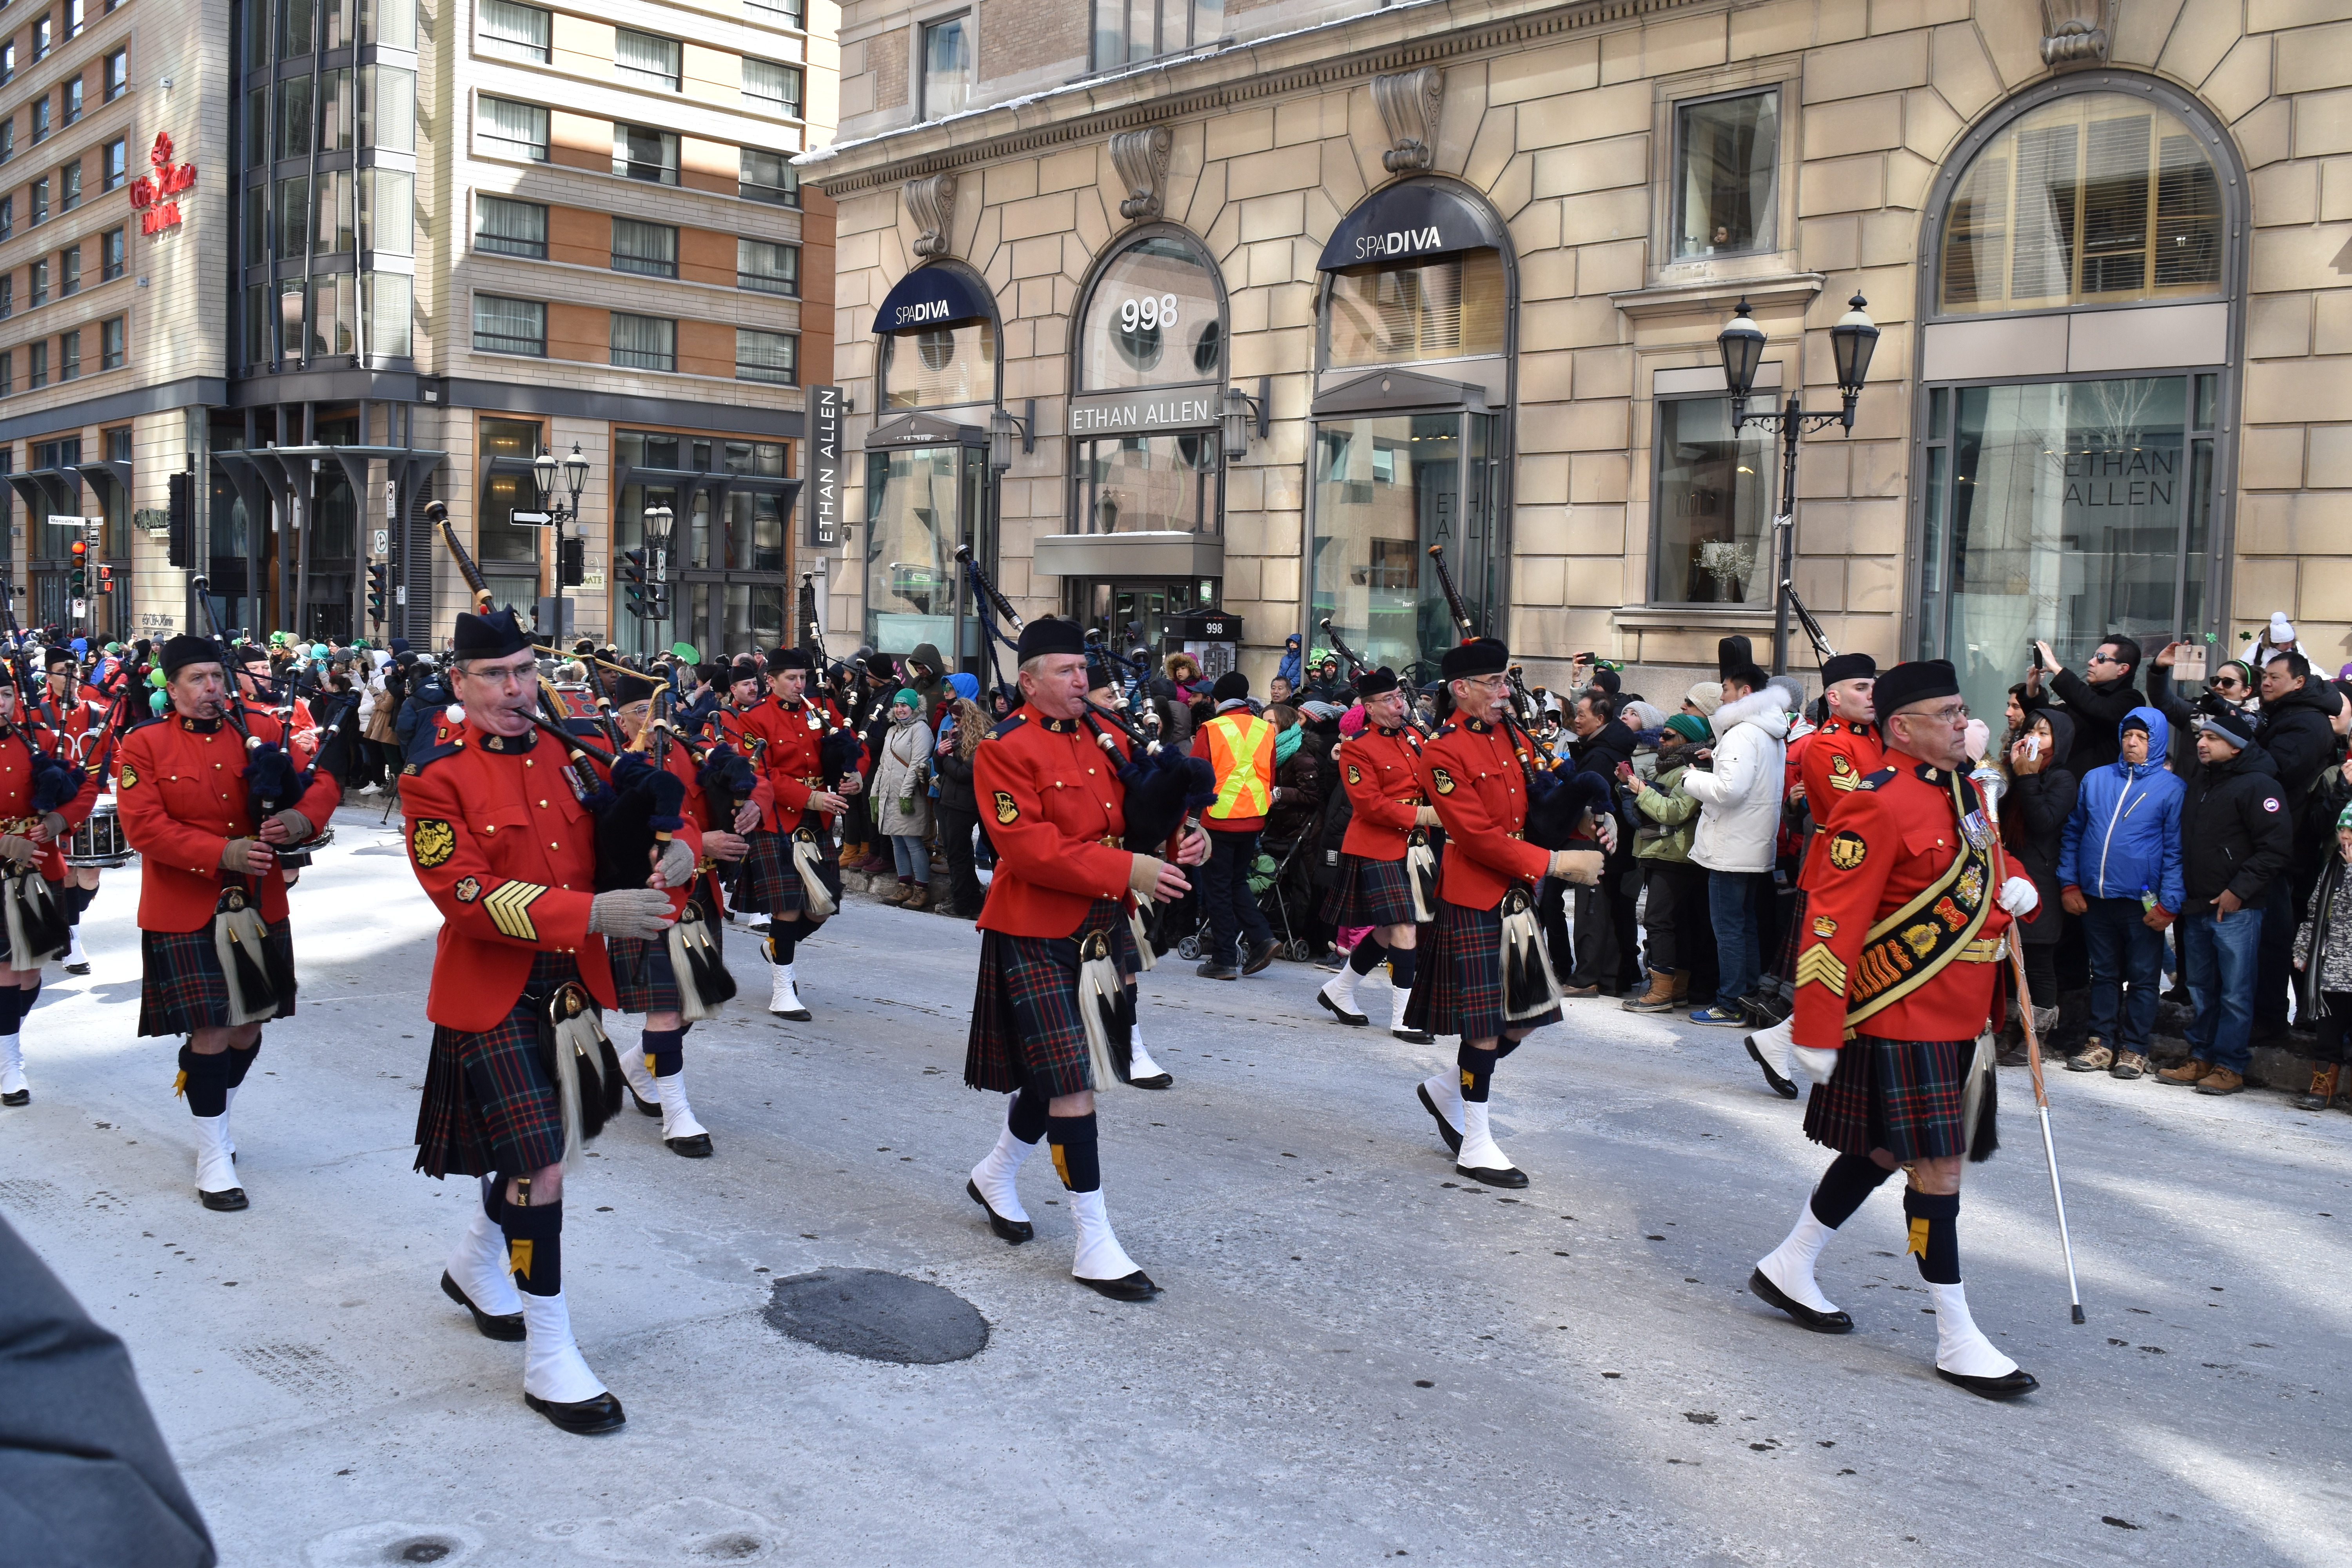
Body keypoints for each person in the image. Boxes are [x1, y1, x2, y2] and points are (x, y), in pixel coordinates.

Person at [404, 606, 679, 1435]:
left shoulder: (572, 754)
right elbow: (469, 898)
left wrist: (678, 843)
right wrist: (592, 912)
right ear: (460, 683)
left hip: (570, 992)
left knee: (546, 1149)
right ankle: (551, 1355)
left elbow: (620, 836)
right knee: (541, 1167)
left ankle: (472, 1262)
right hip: (495, 988)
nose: (515, 688)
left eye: (526, 670)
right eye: (494, 674)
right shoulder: (435, 782)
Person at [1749, 659, 2040, 1399]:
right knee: (1939, 1169)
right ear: (1903, 727)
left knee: (1881, 1149)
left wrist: (2020, 894)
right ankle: (1955, 1333)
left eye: (1960, 711)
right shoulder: (1874, 803)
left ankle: (1792, 1261)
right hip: (1901, 1010)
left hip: (1965, 1012)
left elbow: (1981, 881)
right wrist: (1813, 1024)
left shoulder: (1969, 792)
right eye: (1946, 713)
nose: (1961, 722)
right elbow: (1831, 920)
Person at [960, 618, 1208, 1298]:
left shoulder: (1106, 739)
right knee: (1074, 1077)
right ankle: (1094, 1240)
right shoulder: (1003, 751)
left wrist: (1188, 841)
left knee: (1057, 1070)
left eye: (1084, 670)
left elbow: (1138, 817)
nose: (1083, 681)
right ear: (1030, 680)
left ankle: (996, 1172)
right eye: (1068, 672)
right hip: (1035, 928)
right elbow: (1029, 850)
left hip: (1102, 926)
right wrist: (1132, 868)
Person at [113, 635, 340, 1212]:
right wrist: (225, 853)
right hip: (186, 907)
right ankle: (212, 1153)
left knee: (249, 1026)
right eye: (198, 678)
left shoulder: (259, 734)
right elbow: (144, 829)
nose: (213, 688)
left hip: (258, 907)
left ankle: (216, 1109)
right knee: (212, 1027)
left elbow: (322, 783)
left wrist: (299, 819)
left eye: (218, 676)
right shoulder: (145, 746)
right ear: (173, 687)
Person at [1401, 638, 1602, 1186]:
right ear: (1460, 690)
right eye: (1492, 683)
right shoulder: (1442, 752)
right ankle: (1476, 1141)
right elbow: (1476, 835)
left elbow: (1534, 808)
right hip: (1475, 894)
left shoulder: (1508, 738)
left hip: (1516, 893)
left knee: (1529, 1017)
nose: (1502, 692)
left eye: (1505, 681)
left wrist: (1585, 822)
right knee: (1487, 1028)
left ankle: (1446, 1089)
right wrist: (1557, 863)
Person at [602, 669, 753, 1158]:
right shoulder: (614, 765)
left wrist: (753, 805)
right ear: (622, 722)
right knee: (666, 1008)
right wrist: (698, 841)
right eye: (639, 712)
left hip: (699, 896)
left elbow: (752, 781)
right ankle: (677, 1114)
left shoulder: (690, 753)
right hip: (646, 896)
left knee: (692, 1004)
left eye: (658, 708)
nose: (653, 719)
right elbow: (620, 837)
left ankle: (635, 1063)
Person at [1739, 653, 1882, 1089]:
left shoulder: (1876, 737)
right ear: (1834, 698)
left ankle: (1783, 1040)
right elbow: (1855, 809)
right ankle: (1797, 1043)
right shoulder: (1828, 744)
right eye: (1862, 687)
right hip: (1837, 870)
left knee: (1858, 971)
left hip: (1871, 868)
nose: (1872, 694)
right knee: (1837, 971)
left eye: (1873, 685)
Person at [2159, 706, 2293, 1095]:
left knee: (2236, 991)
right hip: (2197, 904)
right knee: (2202, 987)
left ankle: (2230, 1065)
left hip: (2237, 909)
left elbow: (2276, 848)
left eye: (2211, 738)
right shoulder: (2202, 781)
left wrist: (2239, 891)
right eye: (2201, 737)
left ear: (2235, 747)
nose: (2201, 743)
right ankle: (2201, 1056)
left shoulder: (2260, 785)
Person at [737, 647, 864, 1018]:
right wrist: (810, 798)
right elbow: (761, 774)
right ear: (770, 680)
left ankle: (777, 944)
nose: (799, 685)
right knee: (789, 907)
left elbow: (850, 744)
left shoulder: (820, 711)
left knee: (824, 907)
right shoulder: (754, 719)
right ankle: (783, 991)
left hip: (818, 822)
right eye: (791, 679)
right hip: (778, 819)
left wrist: (854, 774)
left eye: (803, 678)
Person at [2055, 710, 2182, 1079]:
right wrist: (2069, 883)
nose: (2132, 743)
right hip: (2096, 898)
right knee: (2105, 974)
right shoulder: (2096, 779)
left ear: (2156, 743)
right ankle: (2101, 1042)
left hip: (2143, 901)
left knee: (2144, 977)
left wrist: (2170, 902)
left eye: (2142, 738)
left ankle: (2135, 1048)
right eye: (2128, 735)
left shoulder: (2171, 788)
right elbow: (2074, 833)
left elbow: (2176, 850)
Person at [0, 667, 101, 1106]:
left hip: (44, 866)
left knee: (32, 970)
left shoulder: (38, 739)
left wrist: (59, 820)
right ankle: (10, 1064)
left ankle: (6, 1037)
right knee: (7, 968)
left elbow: (85, 786)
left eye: (4, 695)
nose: (0, 704)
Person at [1315, 668, 1434, 1037]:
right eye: (1389, 699)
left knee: (1386, 930)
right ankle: (1405, 1017)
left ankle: (1339, 990)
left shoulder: (1415, 736)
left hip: (1416, 845)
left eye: (1400, 696)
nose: (1399, 704)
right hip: (1376, 844)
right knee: (1404, 925)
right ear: (1369, 707)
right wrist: (1421, 815)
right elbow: (1370, 805)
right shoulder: (1357, 746)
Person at [1680, 650, 1789, 1027]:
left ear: (1745, 692)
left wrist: (1689, 778)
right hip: (1752, 842)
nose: (1721, 696)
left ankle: (1730, 1003)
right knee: (1744, 925)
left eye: (1725, 689)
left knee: (1729, 927)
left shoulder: (1744, 732)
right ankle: (1748, 998)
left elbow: (1730, 791)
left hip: (1731, 846)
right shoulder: (1768, 730)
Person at [2251, 651, 2342, 1041]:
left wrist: (2243, 745)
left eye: (2274, 677)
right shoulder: (2286, 715)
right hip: (2275, 842)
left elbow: (2278, 771)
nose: (2266, 682)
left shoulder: (2306, 723)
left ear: (2299, 682)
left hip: (2287, 848)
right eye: (2264, 676)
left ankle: (2273, 1020)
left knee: (2277, 940)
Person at [1997, 707, 2078, 1060]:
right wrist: (2013, 775)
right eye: (2031, 730)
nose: (2034, 738)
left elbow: (2044, 822)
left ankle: (2037, 1036)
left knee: (2039, 960)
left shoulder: (2062, 779)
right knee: (2006, 959)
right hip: (2008, 873)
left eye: (2044, 734)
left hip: (2042, 878)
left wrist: (2028, 779)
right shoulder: (2011, 771)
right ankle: (2010, 1027)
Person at [1191, 671, 1279, 980]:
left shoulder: (1211, 729)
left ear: (1218, 699)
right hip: (1253, 817)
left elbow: (1195, 776)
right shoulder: (1265, 729)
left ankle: (1225, 959)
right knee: (1236, 883)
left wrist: (1187, 819)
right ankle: (1262, 939)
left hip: (1218, 819)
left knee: (1217, 890)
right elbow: (1270, 773)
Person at [1621, 713, 1711, 1013]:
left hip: (1673, 855)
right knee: (1676, 923)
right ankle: (1677, 989)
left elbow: (1673, 813)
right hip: (1665, 852)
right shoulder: (1669, 768)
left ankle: (1661, 991)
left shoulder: (1690, 770)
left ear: (1684, 740)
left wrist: (1640, 790)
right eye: (1662, 734)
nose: (1661, 739)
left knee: (1660, 922)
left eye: (1668, 736)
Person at [1561, 690, 1640, 998]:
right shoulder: (1611, 747)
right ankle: (1610, 978)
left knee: (1592, 908)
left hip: (1598, 841)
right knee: (1610, 909)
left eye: (1581, 715)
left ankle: (1586, 978)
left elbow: (1582, 801)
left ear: (1601, 719)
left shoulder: (1598, 755)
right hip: (1614, 845)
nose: (1576, 720)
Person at [2290, 803, 2352, 1111]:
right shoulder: (2333, 867)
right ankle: (2323, 1085)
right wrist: (2303, 949)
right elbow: (2316, 913)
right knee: (2328, 1033)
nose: (2345, 838)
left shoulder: (2347, 868)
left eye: (2351, 832)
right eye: (2343, 830)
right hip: (2332, 969)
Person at [2031, 635, 2142, 779]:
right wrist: (2033, 691)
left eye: (2101, 658)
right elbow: (2049, 719)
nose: (2091, 662)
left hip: (2099, 789)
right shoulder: (2084, 699)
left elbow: (2098, 709)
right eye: (2093, 657)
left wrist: (2058, 671)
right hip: (2066, 786)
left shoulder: (2131, 700)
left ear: (2122, 669)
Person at [873, 687, 936, 910]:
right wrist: (875, 792)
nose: (900, 710)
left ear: (914, 708)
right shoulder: (892, 731)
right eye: (897, 706)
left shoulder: (921, 730)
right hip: (890, 794)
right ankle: (905, 886)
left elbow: (919, 762)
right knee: (897, 841)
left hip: (909, 794)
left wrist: (906, 794)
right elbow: (883, 765)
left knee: (912, 842)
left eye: (904, 706)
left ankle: (922, 889)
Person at [933, 681, 990, 920]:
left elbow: (966, 773)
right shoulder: (957, 737)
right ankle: (969, 901)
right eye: (954, 721)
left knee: (959, 856)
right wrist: (940, 754)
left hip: (966, 804)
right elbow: (942, 768)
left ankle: (964, 904)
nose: (955, 725)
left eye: (958, 721)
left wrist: (945, 759)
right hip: (951, 801)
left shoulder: (982, 740)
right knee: (958, 855)